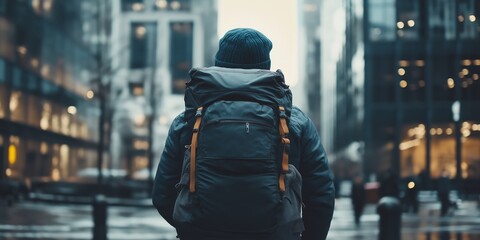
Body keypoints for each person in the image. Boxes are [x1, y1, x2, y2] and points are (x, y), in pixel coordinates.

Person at [152, 28, 335, 240]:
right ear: (265, 66)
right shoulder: (296, 121)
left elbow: (162, 195)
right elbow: (321, 197)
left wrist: (193, 229)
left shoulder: (188, 119)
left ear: (219, 64)